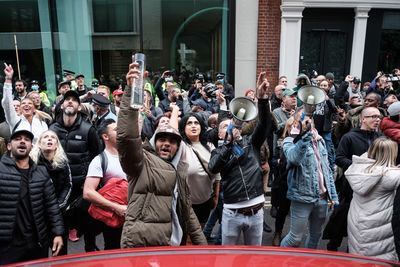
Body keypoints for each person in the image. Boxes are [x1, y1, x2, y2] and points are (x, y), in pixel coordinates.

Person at [118, 57, 207, 247]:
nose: (167, 144)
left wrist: (203, 248)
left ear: (178, 147)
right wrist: (130, 93)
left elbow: (188, 213)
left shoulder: (179, 169)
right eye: (162, 139)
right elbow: (126, 137)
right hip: (142, 247)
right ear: (154, 142)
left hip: (172, 247)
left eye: (172, 141)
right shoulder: (141, 162)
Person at [208, 71, 272, 246]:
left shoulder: (251, 143)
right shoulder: (218, 151)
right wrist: (228, 144)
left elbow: (265, 124)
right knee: (228, 258)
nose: (229, 127)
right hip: (232, 213)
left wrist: (263, 100)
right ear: (219, 133)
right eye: (224, 126)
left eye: (231, 124)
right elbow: (213, 167)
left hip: (257, 210)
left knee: (254, 257)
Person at [0, 129, 64, 265]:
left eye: (27, 139)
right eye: (17, 139)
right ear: (9, 146)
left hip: (36, 243)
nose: (22, 141)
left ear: (32, 147)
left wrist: (58, 233)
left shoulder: (41, 172)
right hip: (7, 246)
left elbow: (51, 205)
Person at [324, 106, 382, 251]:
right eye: (373, 117)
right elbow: (339, 158)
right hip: (350, 186)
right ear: (363, 119)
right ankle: (333, 247)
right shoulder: (349, 137)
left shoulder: (380, 139)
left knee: (361, 224)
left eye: (379, 117)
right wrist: (360, 168)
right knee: (343, 218)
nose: (377, 120)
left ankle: (353, 252)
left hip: (371, 186)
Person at [49, 89, 102, 250]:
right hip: (59, 188)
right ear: (62, 105)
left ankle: (92, 256)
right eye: (67, 100)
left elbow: (97, 157)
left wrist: (91, 183)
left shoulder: (88, 130)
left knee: (88, 229)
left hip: (81, 188)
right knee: (61, 229)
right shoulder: (52, 129)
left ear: (79, 107)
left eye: (74, 100)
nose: (70, 101)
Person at [280, 106, 338, 249]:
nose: (308, 122)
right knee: (294, 238)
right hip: (302, 198)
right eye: (304, 119)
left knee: (315, 236)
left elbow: (326, 171)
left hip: (322, 198)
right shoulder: (289, 141)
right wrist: (304, 137)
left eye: (310, 118)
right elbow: (294, 159)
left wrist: (334, 195)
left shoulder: (320, 141)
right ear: (295, 123)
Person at [345, 137, 400, 261]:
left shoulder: (358, 169)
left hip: (358, 225)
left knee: (360, 257)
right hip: (378, 228)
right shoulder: (390, 176)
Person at [83, 119, 126, 250]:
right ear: (105, 136)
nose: (121, 131)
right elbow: (88, 192)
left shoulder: (130, 156)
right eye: (116, 130)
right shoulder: (99, 161)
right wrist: (116, 207)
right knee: (114, 250)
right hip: (115, 217)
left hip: (133, 215)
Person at [175, 111, 221, 228]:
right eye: (189, 123)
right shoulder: (181, 146)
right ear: (183, 127)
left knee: (199, 234)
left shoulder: (210, 147)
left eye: (196, 123)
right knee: (189, 238)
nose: (194, 126)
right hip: (185, 203)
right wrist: (175, 111)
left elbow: (217, 175)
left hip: (205, 202)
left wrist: (215, 197)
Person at [30, 130, 72, 256]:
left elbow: (68, 185)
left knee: (59, 253)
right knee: (38, 253)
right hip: (38, 215)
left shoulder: (63, 164)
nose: (49, 139)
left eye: (53, 138)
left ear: (57, 145)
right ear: (39, 143)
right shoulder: (32, 164)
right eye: (46, 137)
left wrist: (58, 206)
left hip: (58, 214)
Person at [2, 64, 50, 143]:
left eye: (30, 103)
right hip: (20, 155)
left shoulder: (42, 124)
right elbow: (7, 103)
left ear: (34, 109)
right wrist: (8, 79)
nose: (26, 105)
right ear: (20, 109)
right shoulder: (15, 121)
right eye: (23, 103)